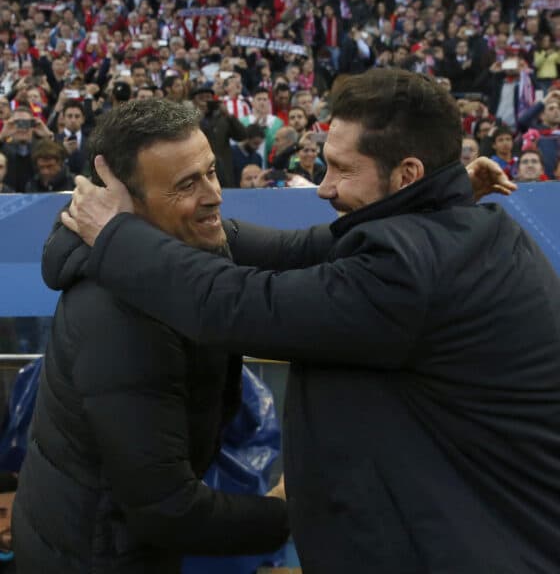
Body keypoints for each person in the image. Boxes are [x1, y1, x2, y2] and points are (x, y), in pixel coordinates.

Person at [64, 70, 560, 574]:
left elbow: (234, 304)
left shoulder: (411, 271)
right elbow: (299, 249)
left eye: (342, 169)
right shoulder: (444, 228)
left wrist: (115, 235)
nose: (323, 188)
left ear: (408, 175)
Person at [13, 100, 289, 573]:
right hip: (97, 558)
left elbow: (302, 250)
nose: (214, 195)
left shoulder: (184, 243)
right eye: (187, 184)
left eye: (210, 171)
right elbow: (166, 512)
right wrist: (300, 514)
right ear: (123, 203)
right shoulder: (123, 317)